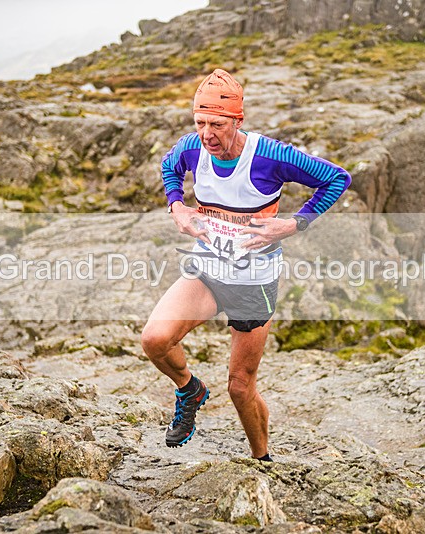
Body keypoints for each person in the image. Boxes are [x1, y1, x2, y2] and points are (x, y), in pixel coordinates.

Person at [141, 68, 351, 461]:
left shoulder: (271, 156)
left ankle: (261, 459)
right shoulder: (192, 146)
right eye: (200, 122)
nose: (207, 134)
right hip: (207, 269)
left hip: (253, 282)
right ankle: (190, 389)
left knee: (240, 387)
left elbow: (337, 179)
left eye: (217, 124)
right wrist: (177, 207)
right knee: (154, 340)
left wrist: (293, 223)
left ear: (238, 120)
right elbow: (170, 166)